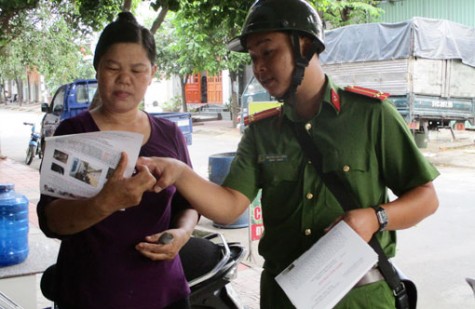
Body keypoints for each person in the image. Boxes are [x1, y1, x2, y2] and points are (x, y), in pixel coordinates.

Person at [139, 0, 440, 308]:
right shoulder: (261, 132)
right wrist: (179, 171)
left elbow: (426, 197)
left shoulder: (371, 116)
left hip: (360, 297)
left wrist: (375, 218)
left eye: (268, 52)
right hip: (283, 297)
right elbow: (230, 207)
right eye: (254, 57)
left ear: (305, 45)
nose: (259, 68)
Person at [37, 12, 198, 309]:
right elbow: (51, 221)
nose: (125, 79)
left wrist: (182, 234)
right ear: (98, 69)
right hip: (89, 294)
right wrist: (105, 202)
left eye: (137, 70)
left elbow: (188, 204)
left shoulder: (170, 134)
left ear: (152, 73)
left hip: (164, 293)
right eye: (113, 67)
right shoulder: (73, 133)